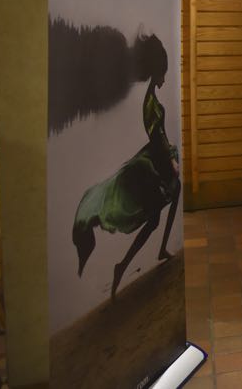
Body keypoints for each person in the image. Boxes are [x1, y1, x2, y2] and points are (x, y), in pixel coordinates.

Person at [72, 33, 181, 300]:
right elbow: (156, 135)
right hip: (154, 160)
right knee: (164, 203)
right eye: (163, 74)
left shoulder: (151, 100)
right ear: (156, 72)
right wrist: (169, 159)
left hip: (156, 156)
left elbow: (159, 135)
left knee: (158, 213)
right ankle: (137, 259)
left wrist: (168, 151)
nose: (164, 79)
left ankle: (135, 260)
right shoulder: (151, 102)